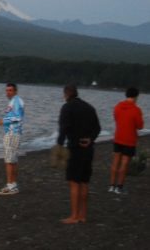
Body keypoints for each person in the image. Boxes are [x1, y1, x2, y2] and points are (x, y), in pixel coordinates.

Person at [57, 83, 101, 224]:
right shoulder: (89, 107)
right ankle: (83, 215)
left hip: (75, 148)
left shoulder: (67, 107)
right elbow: (98, 128)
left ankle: (74, 216)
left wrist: (59, 145)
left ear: (66, 94)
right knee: (84, 181)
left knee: (74, 182)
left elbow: (63, 128)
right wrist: (91, 139)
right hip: (88, 149)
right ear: (76, 93)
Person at [109, 87, 144, 194]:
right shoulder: (136, 109)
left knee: (115, 161)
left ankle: (111, 186)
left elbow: (116, 118)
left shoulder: (118, 106)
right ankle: (119, 187)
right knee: (124, 164)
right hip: (129, 139)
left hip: (118, 137)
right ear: (136, 96)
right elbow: (140, 126)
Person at [0, 82, 25, 195]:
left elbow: (17, 117)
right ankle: (13, 184)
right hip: (14, 133)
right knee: (13, 160)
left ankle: (10, 185)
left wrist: (3, 121)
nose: (8, 92)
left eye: (10, 90)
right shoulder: (13, 102)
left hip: (13, 133)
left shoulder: (16, 101)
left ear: (15, 91)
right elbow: (14, 116)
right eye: (7, 90)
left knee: (9, 160)